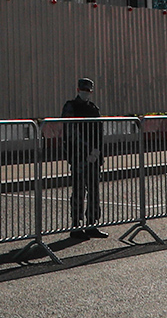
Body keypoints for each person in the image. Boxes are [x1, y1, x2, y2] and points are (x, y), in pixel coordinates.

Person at [60, 78, 104, 236]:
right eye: (84, 90)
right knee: (79, 190)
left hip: (93, 156)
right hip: (79, 155)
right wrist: (87, 151)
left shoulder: (93, 108)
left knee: (94, 190)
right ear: (78, 90)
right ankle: (76, 224)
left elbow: (99, 132)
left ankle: (92, 223)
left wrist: (98, 151)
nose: (86, 93)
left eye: (89, 90)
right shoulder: (71, 107)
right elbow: (70, 132)